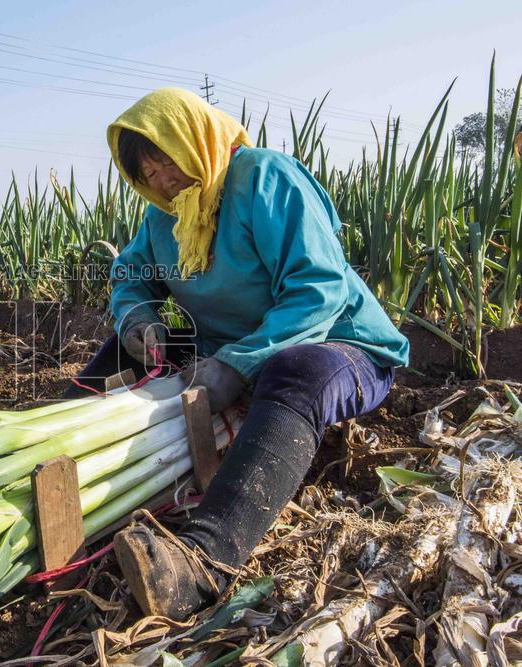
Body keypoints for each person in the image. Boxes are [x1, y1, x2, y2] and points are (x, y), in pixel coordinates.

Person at [66, 88, 409, 620]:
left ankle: (204, 562)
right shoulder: (165, 217)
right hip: (226, 350)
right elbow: (130, 275)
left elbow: (317, 290)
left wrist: (238, 363)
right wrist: (139, 319)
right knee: (123, 349)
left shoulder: (266, 178)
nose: (162, 180)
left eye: (166, 159)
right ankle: (50, 459)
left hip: (336, 345)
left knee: (296, 372)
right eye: (147, 173)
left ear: (193, 138)